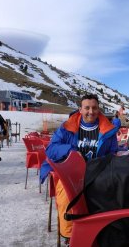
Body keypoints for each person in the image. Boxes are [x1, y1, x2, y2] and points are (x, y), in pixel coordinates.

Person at [40, 94, 118, 241]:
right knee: (66, 196)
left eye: (94, 108)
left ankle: (102, 233)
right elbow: (51, 149)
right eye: (87, 108)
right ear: (80, 110)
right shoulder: (66, 127)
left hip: (97, 173)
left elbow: (112, 153)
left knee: (115, 191)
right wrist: (71, 151)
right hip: (71, 173)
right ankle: (71, 237)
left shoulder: (108, 130)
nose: (91, 111)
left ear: (98, 109)